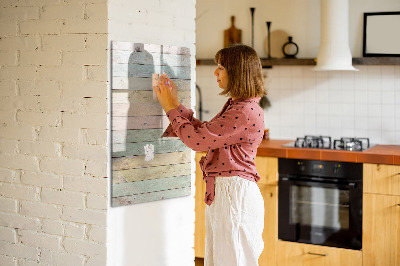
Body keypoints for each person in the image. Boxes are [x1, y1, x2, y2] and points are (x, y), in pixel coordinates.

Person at [153, 44, 266, 266]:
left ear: (237, 71)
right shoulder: (239, 106)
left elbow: (197, 141)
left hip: (234, 195)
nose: (215, 72)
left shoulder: (243, 111)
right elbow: (205, 133)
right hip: (228, 193)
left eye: (221, 67)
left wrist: (169, 108)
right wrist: (175, 104)